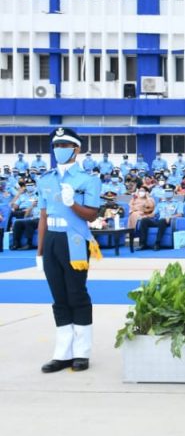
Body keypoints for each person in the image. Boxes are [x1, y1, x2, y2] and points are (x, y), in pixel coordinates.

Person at [36, 127, 102, 373]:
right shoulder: (46, 179)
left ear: (77, 149)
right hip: (52, 239)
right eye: (56, 146)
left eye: (64, 146)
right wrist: (39, 252)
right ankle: (62, 353)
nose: (59, 150)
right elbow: (42, 216)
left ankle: (81, 353)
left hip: (74, 240)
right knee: (59, 298)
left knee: (76, 295)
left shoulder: (88, 179)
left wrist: (72, 202)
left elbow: (92, 214)